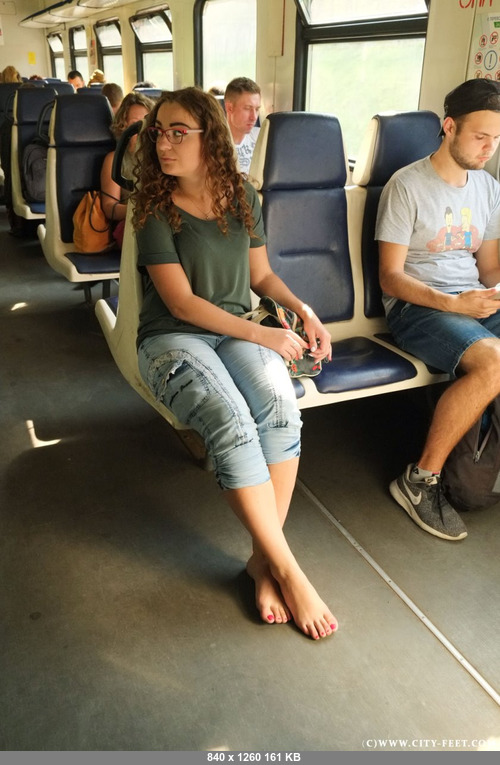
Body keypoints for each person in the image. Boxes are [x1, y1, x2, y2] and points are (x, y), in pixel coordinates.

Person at [132, 87, 337, 640]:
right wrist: (262, 333)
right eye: (159, 133)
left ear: (211, 140)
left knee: (281, 409)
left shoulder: (243, 195)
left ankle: (261, 562)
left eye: (179, 133)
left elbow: (260, 276)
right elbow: (181, 303)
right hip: (173, 338)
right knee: (231, 419)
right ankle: (288, 571)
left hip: (232, 331)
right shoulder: (152, 207)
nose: (164, 144)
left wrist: (304, 312)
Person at [376, 78, 500, 542]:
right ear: (450, 127)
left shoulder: (488, 187)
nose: (490, 148)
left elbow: (489, 269)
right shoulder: (406, 186)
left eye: (497, 139)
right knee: (494, 362)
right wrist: (453, 303)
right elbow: (390, 277)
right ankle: (419, 479)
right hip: (419, 308)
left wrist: (488, 294)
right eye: (480, 136)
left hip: (473, 300)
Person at [100, 91, 154, 247]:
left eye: (146, 123)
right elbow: (109, 207)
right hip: (129, 223)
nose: (141, 129)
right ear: (123, 127)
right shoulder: (114, 160)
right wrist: (139, 210)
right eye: (135, 124)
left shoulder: (160, 157)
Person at [224, 77, 261, 174]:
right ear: (229, 108)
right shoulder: (213, 142)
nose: (254, 117)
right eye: (247, 108)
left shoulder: (262, 137)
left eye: (257, 109)